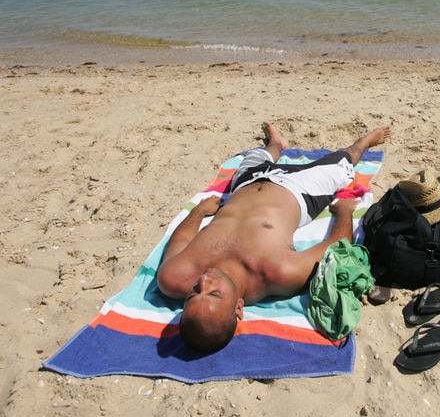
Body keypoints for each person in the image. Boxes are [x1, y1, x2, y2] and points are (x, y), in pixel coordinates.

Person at [157, 121, 391, 352]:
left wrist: (198, 212)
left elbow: (180, 241)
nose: (203, 282)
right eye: (214, 293)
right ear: (239, 308)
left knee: (255, 157)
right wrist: (345, 212)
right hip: (299, 189)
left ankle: (277, 145)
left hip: (246, 183)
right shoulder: (278, 272)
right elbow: (336, 246)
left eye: (193, 295)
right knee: (342, 163)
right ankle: (363, 142)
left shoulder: (175, 276)